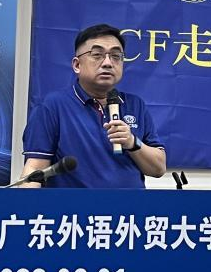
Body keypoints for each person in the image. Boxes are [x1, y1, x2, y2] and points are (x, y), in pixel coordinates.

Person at [19, 24, 166, 188]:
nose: (108, 63)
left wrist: (132, 142)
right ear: (77, 65)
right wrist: (25, 202)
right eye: (97, 55)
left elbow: (158, 168)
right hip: (77, 205)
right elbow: (35, 170)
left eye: (116, 56)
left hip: (131, 205)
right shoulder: (53, 106)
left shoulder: (135, 105)